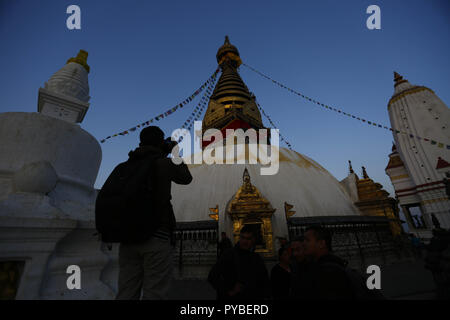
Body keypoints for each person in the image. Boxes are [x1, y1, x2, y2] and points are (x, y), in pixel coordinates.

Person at [116, 126, 193, 300]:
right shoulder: (163, 163)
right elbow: (186, 178)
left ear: (141, 142)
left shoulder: (126, 165)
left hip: (127, 237)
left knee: (126, 290)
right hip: (156, 235)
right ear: (160, 142)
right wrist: (175, 153)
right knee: (155, 292)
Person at [207, 225, 270, 300]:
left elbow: (264, 281)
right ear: (239, 238)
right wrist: (228, 290)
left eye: (248, 239)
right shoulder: (228, 255)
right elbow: (212, 276)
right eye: (243, 238)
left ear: (253, 240)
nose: (245, 241)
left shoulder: (257, 258)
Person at [302, 225, 354, 299]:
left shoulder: (328, 272)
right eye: (303, 240)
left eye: (307, 240)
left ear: (321, 244)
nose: (303, 244)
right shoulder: (323, 265)